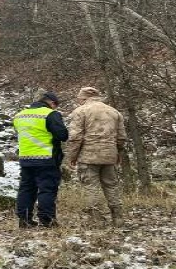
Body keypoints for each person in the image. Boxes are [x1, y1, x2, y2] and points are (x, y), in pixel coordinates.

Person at [66, 87, 128, 227]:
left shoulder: (80, 111)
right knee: (111, 185)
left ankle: (97, 220)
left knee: (91, 187)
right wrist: (118, 152)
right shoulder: (114, 112)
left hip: (88, 156)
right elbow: (121, 137)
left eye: (79, 98)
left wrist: (72, 156)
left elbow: (75, 137)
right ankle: (118, 218)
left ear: (84, 98)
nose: (78, 101)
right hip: (109, 154)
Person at [13, 89, 69, 228]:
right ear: (49, 102)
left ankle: (24, 220)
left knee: (26, 188)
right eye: (55, 103)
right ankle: (47, 220)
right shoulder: (50, 114)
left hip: (25, 158)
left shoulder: (19, 116)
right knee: (47, 189)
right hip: (46, 158)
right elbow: (63, 135)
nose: (56, 106)